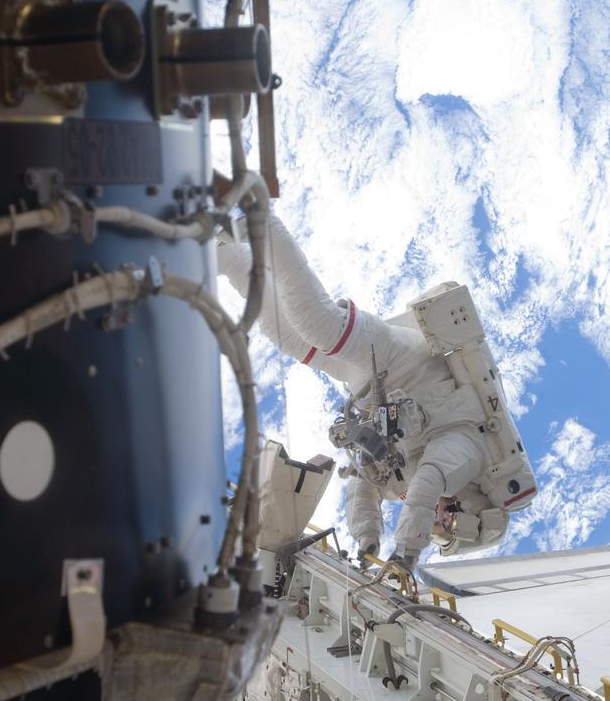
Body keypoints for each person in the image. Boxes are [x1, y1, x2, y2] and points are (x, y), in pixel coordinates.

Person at [218, 215, 520, 569]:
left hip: (367, 384)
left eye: (437, 533)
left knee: (288, 336)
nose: (438, 523)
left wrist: (367, 540)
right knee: (320, 324)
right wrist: (407, 553)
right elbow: (429, 480)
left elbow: (364, 481)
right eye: (444, 528)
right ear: (468, 515)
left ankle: (224, 256)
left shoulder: (405, 480)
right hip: (402, 362)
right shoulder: (471, 456)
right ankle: (263, 226)